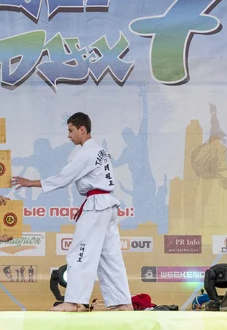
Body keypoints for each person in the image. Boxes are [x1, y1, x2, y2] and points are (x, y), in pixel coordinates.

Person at [12, 112, 133, 312]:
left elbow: (63, 178)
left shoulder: (86, 153)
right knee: (110, 256)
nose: (69, 136)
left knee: (80, 252)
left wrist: (31, 183)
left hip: (96, 205)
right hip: (108, 205)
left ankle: (73, 301)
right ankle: (122, 302)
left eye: (71, 131)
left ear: (82, 129)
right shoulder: (101, 150)